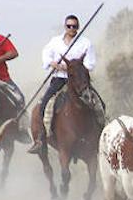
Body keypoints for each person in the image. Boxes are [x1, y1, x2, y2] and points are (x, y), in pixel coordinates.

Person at [28, 15, 96, 154]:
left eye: (74, 26)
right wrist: (53, 63)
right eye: (69, 26)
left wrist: (74, 67)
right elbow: (46, 55)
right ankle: (41, 139)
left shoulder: (85, 43)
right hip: (59, 79)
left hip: (79, 80)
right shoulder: (55, 42)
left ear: (78, 27)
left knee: (98, 104)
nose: (72, 29)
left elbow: (90, 63)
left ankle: (99, 136)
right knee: (44, 104)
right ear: (65, 27)